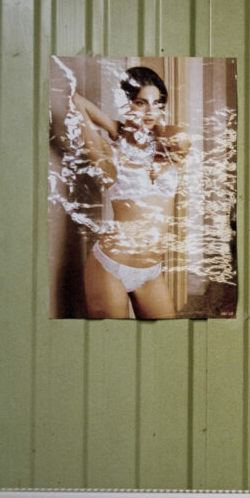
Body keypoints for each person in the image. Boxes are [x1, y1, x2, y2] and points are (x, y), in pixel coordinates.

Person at [68, 66, 190, 318]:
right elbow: (75, 101)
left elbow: (183, 137)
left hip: (151, 271)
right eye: (140, 102)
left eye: (156, 104)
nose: (150, 111)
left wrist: (123, 129)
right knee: (112, 347)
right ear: (126, 104)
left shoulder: (169, 150)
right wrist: (114, 127)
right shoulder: (108, 154)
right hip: (110, 267)